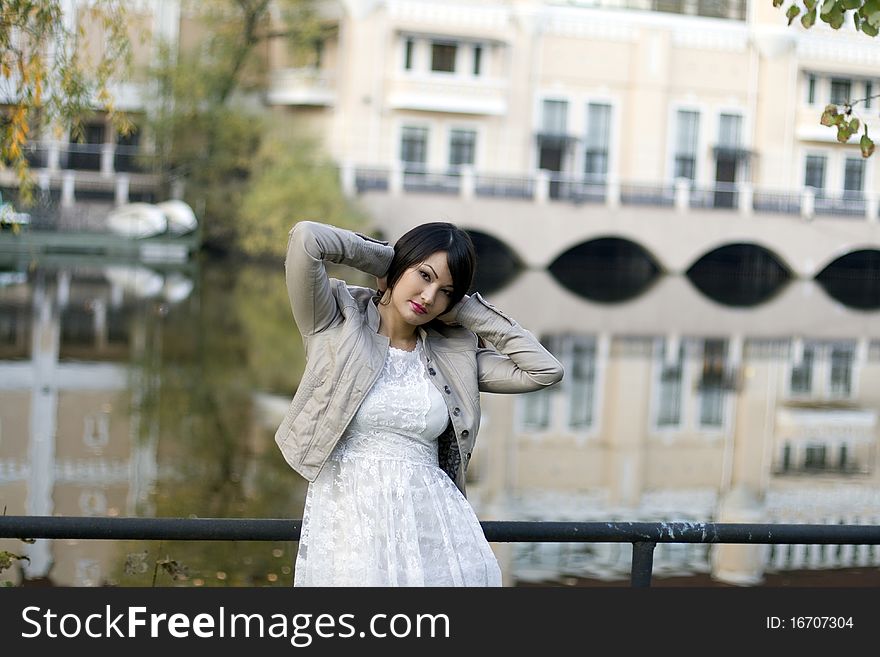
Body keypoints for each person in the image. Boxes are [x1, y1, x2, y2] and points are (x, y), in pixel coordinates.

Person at [276, 220, 564, 586]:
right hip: (350, 526)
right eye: (424, 276)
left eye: (446, 291)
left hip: (433, 529)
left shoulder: (453, 354)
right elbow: (306, 239)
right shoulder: (334, 320)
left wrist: (468, 311)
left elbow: (544, 370)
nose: (429, 297)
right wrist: (388, 261)